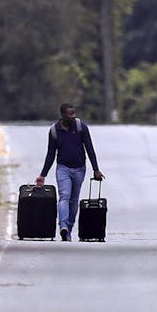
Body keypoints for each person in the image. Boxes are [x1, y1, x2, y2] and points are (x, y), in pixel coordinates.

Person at [36, 103, 104, 241]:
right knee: (64, 196)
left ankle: (69, 229)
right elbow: (50, 155)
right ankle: (63, 226)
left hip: (79, 169)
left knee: (74, 201)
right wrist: (43, 175)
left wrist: (96, 169)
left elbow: (90, 149)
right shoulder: (54, 131)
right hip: (63, 168)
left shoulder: (81, 127)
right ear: (62, 115)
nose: (73, 117)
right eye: (69, 114)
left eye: (74, 113)